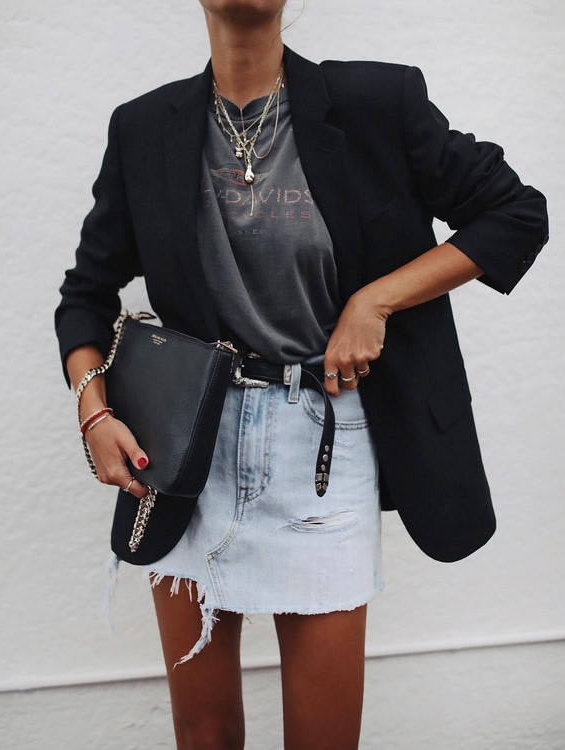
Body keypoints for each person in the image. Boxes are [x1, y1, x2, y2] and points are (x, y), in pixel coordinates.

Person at [55, 1, 548, 748]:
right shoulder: (143, 128)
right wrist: (94, 413)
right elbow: (86, 294)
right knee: (203, 732)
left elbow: (514, 212)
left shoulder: (378, 103)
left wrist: (376, 300)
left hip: (322, 442)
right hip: (185, 452)